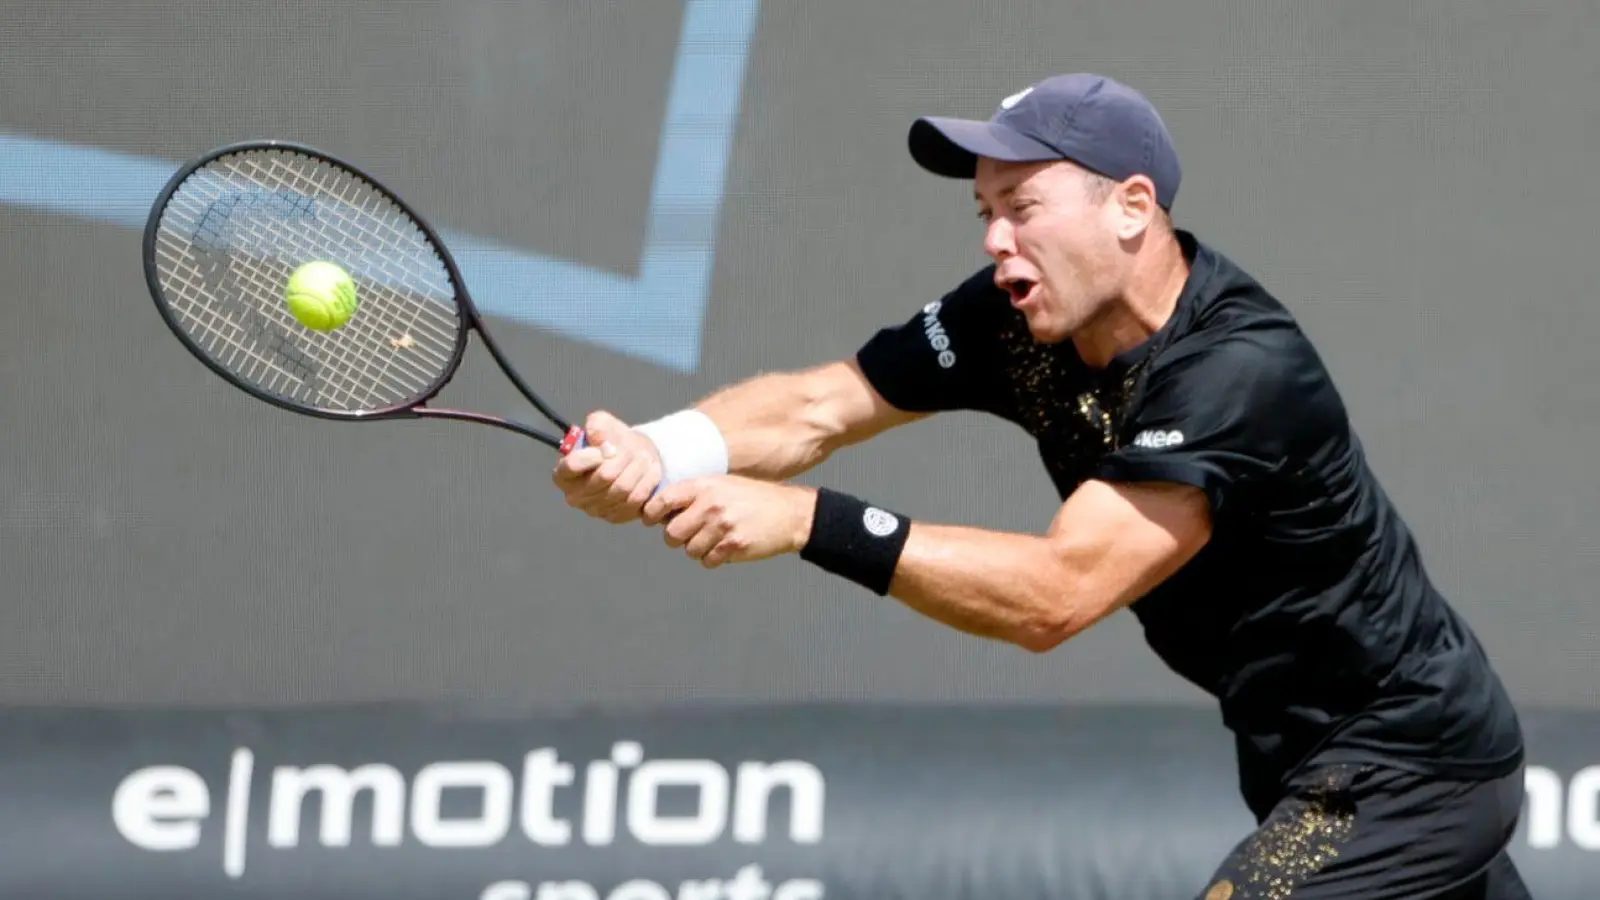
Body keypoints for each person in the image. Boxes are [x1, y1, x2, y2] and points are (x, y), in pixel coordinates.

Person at [552, 72, 1531, 899]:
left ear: (1131, 207)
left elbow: (1056, 597)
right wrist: (661, 449)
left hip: (1406, 768)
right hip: (1293, 754)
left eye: (1022, 206)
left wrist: (810, 521)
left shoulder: (1236, 373)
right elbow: (819, 405)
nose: (993, 240)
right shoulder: (1011, 316)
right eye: (984, 211)